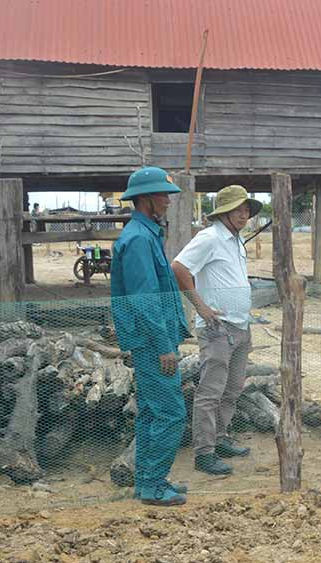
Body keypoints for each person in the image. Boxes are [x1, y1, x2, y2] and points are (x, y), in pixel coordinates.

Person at [111, 166, 190, 506]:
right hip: (151, 343)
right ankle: (154, 485)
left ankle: (148, 479)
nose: (168, 201)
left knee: (151, 412)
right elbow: (145, 300)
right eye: (162, 195)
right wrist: (164, 347)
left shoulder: (145, 234)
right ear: (145, 200)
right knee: (171, 413)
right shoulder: (140, 239)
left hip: (151, 340)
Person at [171, 185, 261, 477]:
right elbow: (179, 268)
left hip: (239, 324)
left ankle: (220, 439)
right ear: (223, 212)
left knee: (233, 388)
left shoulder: (236, 240)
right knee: (210, 391)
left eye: (246, 209)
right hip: (217, 328)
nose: (244, 214)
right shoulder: (209, 238)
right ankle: (204, 453)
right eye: (238, 209)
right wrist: (201, 307)